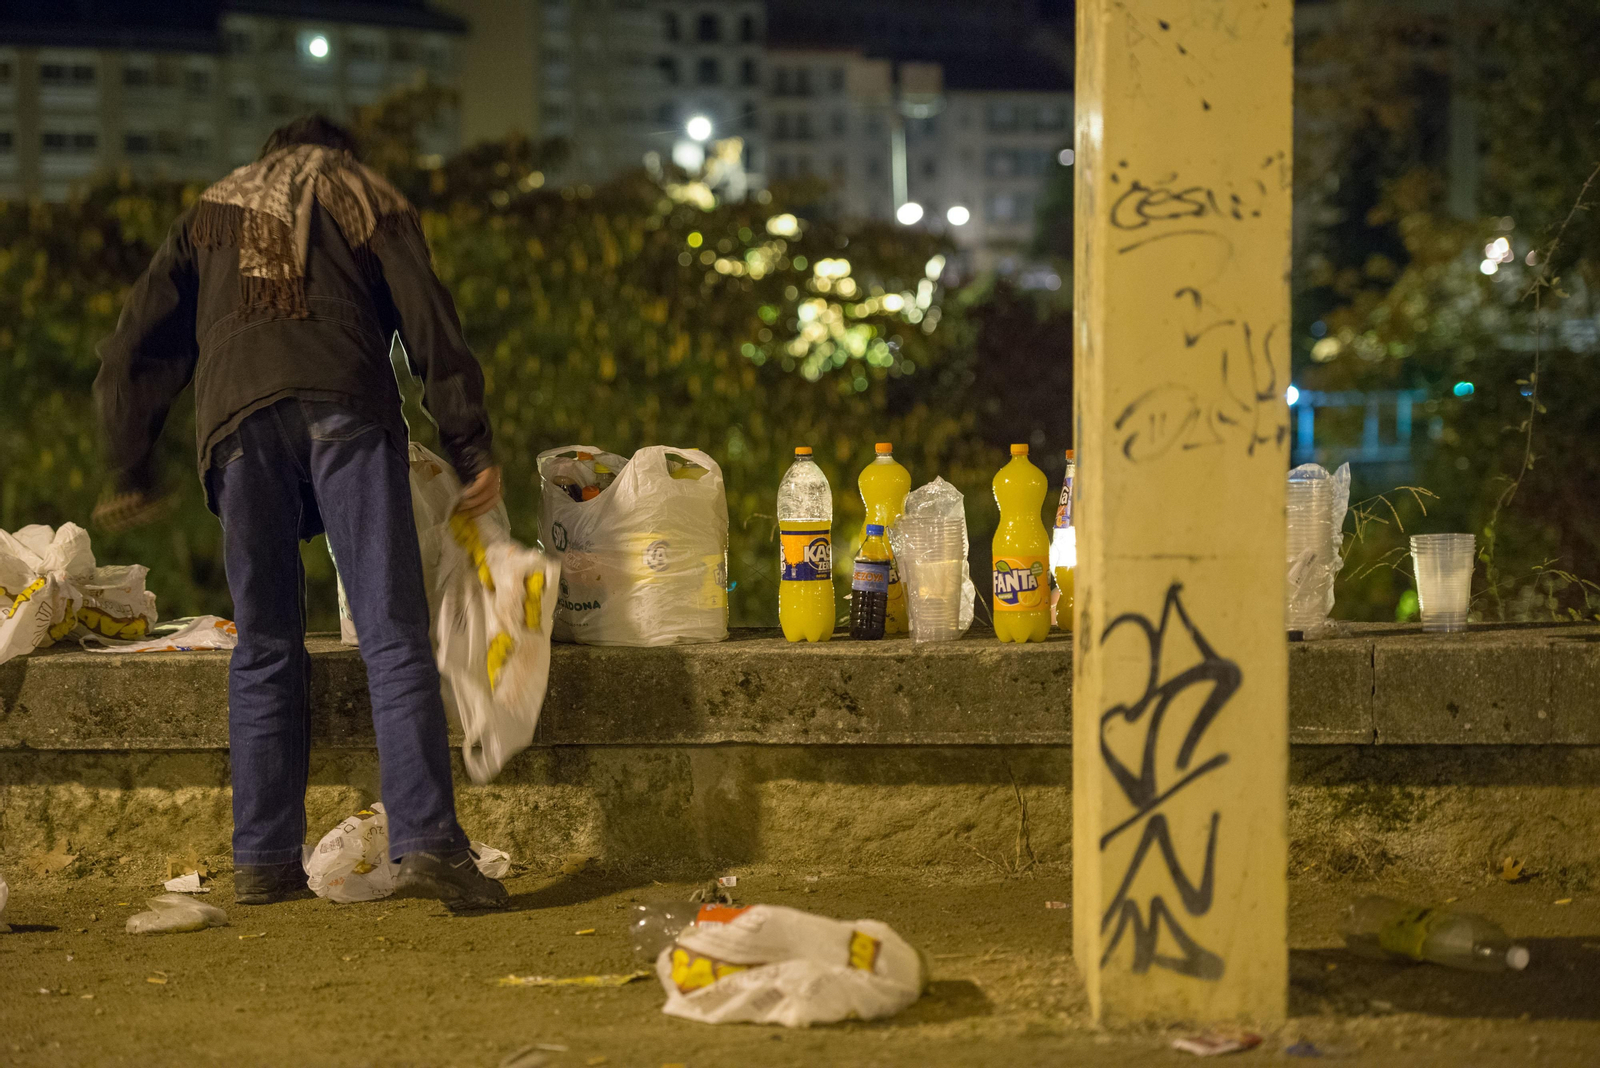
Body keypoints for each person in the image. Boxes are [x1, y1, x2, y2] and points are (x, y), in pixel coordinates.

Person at [93, 116, 508, 910]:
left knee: (265, 641)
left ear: (267, 154)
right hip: (343, 405)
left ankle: (264, 860)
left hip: (235, 426)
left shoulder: (209, 213)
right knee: (390, 632)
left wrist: (131, 460)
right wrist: (468, 442)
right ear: (341, 151)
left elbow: (133, 343)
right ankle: (428, 842)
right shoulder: (362, 190)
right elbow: (428, 320)